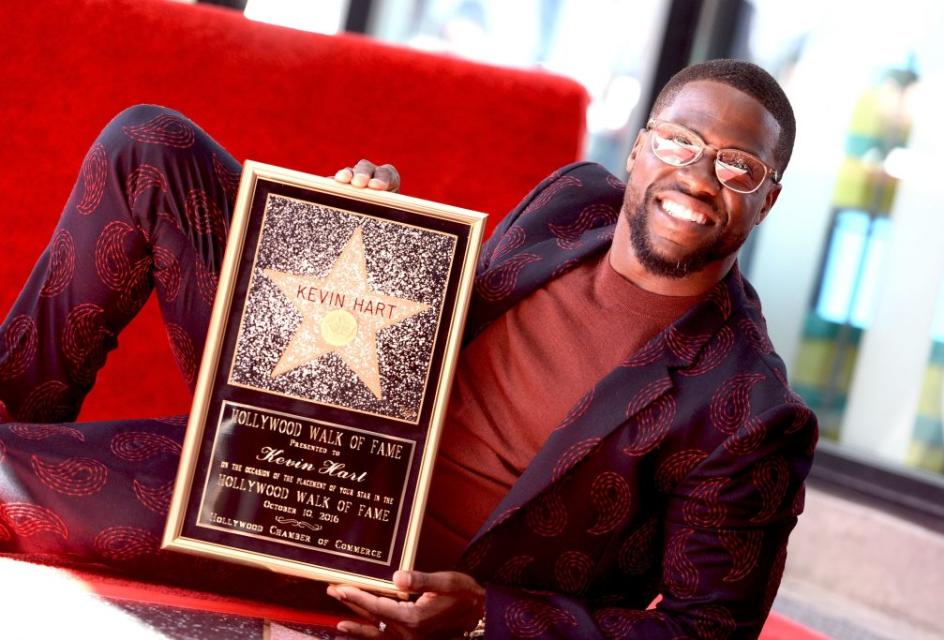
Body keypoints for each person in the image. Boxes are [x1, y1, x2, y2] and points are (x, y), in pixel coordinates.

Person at [0, 59, 817, 639]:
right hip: (326, 427)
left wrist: (484, 619)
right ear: (639, 148)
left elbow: (706, 630)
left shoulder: (750, 410)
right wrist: (355, 226)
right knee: (149, 145)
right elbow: (429, 327)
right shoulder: (575, 200)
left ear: (768, 198)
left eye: (738, 166)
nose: (700, 177)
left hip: (370, 555)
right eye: (681, 143)